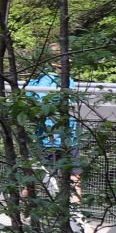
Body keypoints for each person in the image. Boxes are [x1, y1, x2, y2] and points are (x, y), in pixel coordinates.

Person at [26, 45, 83, 203]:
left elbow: (30, 103)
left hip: (46, 137)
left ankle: (23, 214)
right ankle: (77, 219)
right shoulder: (68, 81)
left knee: (34, 177)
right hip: (69, 137)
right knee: (74, 177)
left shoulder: (35, 82)